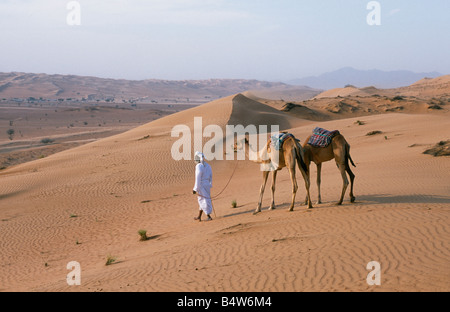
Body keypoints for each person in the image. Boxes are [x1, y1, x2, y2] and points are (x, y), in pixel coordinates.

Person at [193, 151, 213, 221]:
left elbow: (198, 178)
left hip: (201, 185)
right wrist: (210, 184)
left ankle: (209, 216)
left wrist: (195, 188)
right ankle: (199, 216)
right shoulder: (208, 165)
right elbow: (211, 176)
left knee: (202, 200)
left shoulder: (199, 166)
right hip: (207, 185)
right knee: (204, 200)